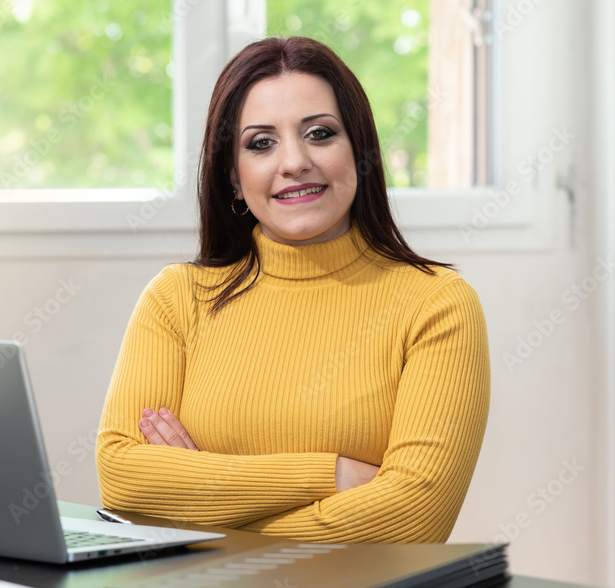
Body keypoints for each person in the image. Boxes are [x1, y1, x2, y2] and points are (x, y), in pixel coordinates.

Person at [95, 36, 490, 543]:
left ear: (360, 152)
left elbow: (413, 519)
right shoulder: (176, 299)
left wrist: (202, 509)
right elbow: (124, 480)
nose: (294, 162)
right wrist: (334, 475)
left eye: (320, 133)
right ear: (233, 179)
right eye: (261, 143)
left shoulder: (438, 304)